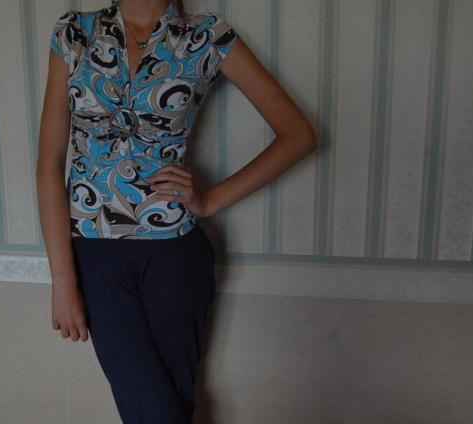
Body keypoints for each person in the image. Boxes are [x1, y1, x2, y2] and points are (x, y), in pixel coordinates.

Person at [37, 0, 317, 422]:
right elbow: (48, 164)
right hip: (95, 256)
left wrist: (209, 200)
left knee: (167, 409)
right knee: (154, 409)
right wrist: (62, 280)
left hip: (175, 255)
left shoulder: (207, 37)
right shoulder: (74, 33)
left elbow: (298, 136)